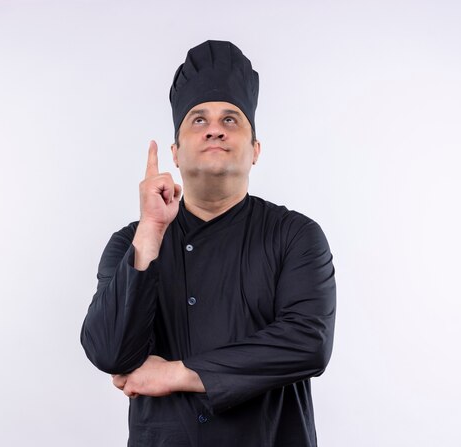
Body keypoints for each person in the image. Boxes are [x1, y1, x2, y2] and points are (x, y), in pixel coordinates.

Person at [81, 40, 336, 447]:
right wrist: (149, 232)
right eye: (198, 119)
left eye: (231, 119)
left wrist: (177, 373)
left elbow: (309, 342)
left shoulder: (295, 235)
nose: (215, 127)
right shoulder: (131, 241)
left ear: (255, 151)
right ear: (176, 153)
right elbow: (109, 353)